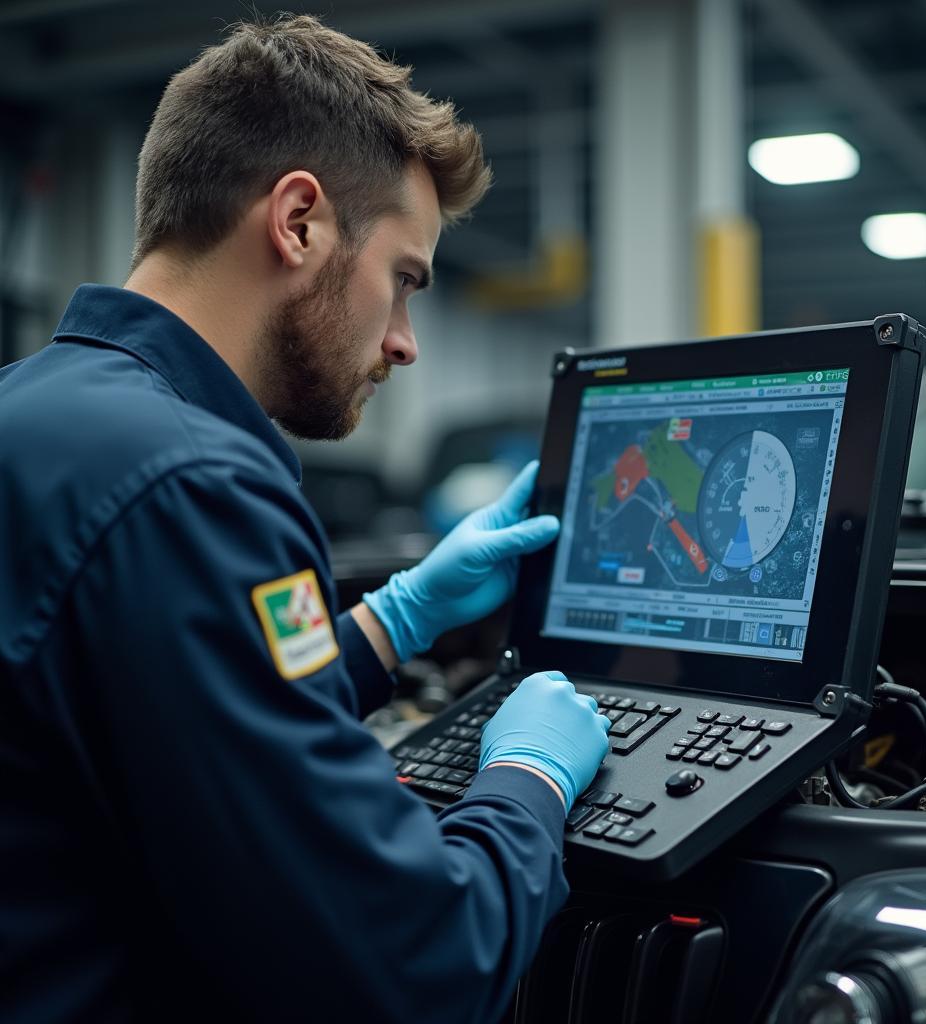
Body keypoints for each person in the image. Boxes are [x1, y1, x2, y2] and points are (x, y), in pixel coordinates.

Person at [0, 16, 611, 1024]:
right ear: (298, 222)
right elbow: (416, 965)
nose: (406, 341)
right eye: (405, 280)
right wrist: (527, 780)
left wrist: (399, 618)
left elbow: (168, 710)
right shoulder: (196, 484)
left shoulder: (37, 409)